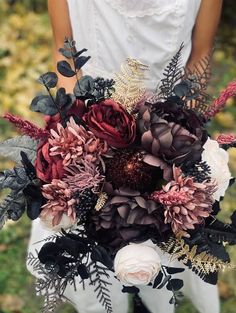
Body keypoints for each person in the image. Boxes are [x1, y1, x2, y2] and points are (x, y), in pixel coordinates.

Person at [27, 1, 223, 313]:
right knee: (97, 259)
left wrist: (179, 142)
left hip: (167, 139)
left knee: (160, 251)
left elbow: (199, 56)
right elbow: (64, 51)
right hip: (88, 138)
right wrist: (74, 138)